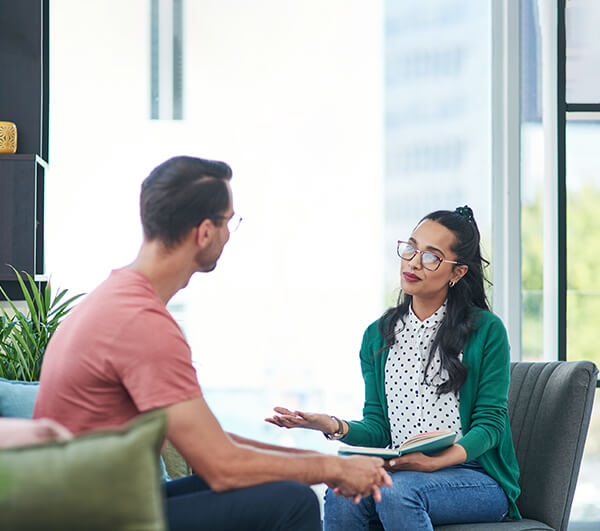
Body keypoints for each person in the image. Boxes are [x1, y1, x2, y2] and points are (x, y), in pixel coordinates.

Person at [33, 155, 392, 531]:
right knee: (294, 501)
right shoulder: (142, 324)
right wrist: (331, 468)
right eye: (229, 221)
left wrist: (331, 466)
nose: (229, 233)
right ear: (204, 232)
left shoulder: (117, 298)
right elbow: (221, 467)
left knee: (284, 485)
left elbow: (214, 443)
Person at [266, 206, 522, 530]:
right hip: (404, 472)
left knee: (397, 492)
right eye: (411, 248)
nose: (414, 262)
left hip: (476, 478)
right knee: (341, 492)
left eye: (432, 257)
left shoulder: (486, 330)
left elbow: (490, 426)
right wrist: (330, 425)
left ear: (457, 273)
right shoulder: (378, 335)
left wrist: (433, 464)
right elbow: (379, 429)